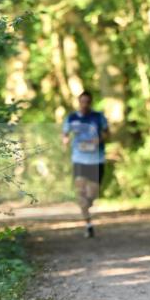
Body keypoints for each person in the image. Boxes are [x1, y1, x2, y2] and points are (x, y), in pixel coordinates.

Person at [62, 91, 109, 237]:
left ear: (91, 102)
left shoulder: (98, 117)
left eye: (87, 102)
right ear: (79, 102)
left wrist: (99, 140)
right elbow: (65, 134)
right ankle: (88, 225)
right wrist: (65, 141)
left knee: (92, 195)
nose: (85, 104)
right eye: (82, 101)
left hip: (96, 160)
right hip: (79, 160)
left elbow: (107, 133)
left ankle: (89, 202)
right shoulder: (72, 118)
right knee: (81, 194)